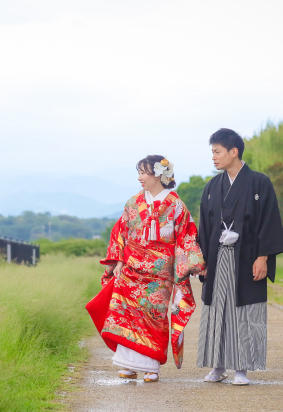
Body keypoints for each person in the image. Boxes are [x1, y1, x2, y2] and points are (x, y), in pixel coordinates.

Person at [86, 155, 205, 382]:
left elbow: (186, 235)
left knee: (155, 317)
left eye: (143, 172)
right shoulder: (133, 203)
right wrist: (119, 263)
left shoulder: (176, 205)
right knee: (128, 314)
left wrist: (193, 263)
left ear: (158, 174)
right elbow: (121, 233)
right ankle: (128, 364)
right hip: (132, 269)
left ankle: (151, 367)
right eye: (139, 173)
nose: (140, 178)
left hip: (160, 274)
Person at [196, 129, 283, 386]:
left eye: (217, 152)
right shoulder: (213, 186)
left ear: (233, 152)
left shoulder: (259, 183)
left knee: (245, 312)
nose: (213, 157)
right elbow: (205, 226)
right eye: (212, 152)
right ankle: (217, 365)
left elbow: (268, 222)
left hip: (246, 257)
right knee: (217, 311)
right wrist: (202, 262)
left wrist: (263, 257)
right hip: (218, 257)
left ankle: (242, 369)